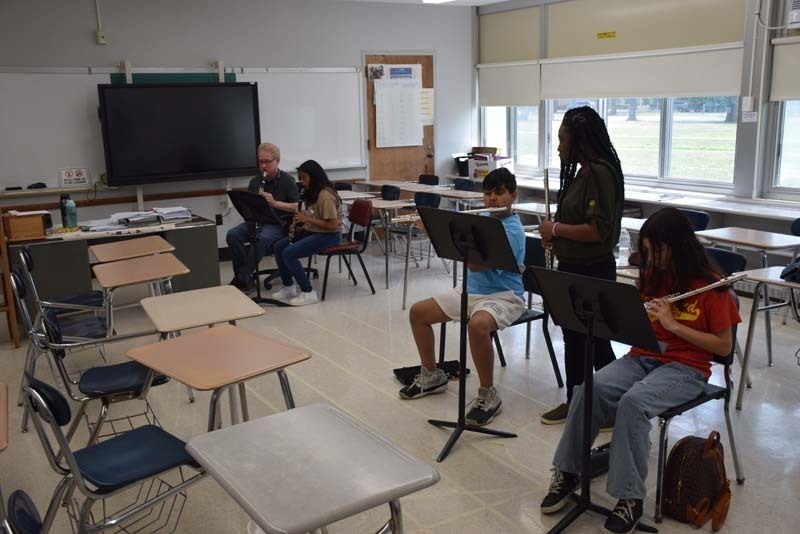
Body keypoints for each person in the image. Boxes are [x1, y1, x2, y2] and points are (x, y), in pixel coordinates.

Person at [539, 207, 741, 534]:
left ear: (677, 245)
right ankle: (570, 470)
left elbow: (723, 347)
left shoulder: (711, 287)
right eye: (647, 250)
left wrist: (673, 324)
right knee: (592, 387)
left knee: (634, 404)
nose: (651, 257)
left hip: (687, 366)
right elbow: (639, 328)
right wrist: (631, 314)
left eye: (656, 250)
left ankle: (630, 498)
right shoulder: (655, 276)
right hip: (644, 355)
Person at [397, 167, 525, 426]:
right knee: (418, 312)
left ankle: (488, 395)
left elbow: (477, 264)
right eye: (488, 194)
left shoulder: (511, 230)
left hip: (504, 296)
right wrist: (437, 230)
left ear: (513, 196)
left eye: (499, 194)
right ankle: (432, 375)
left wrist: (447, 235)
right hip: (471, 291)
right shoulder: (483, 218)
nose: (492, 200)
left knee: (477, 325)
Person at [538, 106, 625, 425]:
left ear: (580, 139)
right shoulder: (582, 171)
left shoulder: (601, 173)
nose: (559, 146)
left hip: (593, 271)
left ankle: (613, 407)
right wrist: (555, 236)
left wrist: (556, 230)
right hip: (572, 267)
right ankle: (576, 402)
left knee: (596, 341)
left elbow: (598, 230)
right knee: (574, 338)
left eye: (562, 139)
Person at [226, 143, 299, 291]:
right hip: (257, 221)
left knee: (263, 238)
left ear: (277, 161)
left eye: (267, 161)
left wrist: (275, 203)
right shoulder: (255, 182)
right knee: (233, 235)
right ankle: (245, 276)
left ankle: (242, 279)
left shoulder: (288, 181)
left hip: (279, 223)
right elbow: (248, 207)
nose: (263, 166)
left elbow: (298, 207)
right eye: (260, 162)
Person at [270, 160, 343, 306]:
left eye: (304, 178)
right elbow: (316, 218)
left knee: (289, 253)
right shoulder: (314, 193)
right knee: (279, 247)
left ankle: (308, 292)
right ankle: (289, 287)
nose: (302, 182)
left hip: (329, 236)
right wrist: (304, 226)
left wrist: (306, 219)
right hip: (316, 231)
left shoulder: (325, 196)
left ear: (314, 177)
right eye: (300, 178)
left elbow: (333, 225)